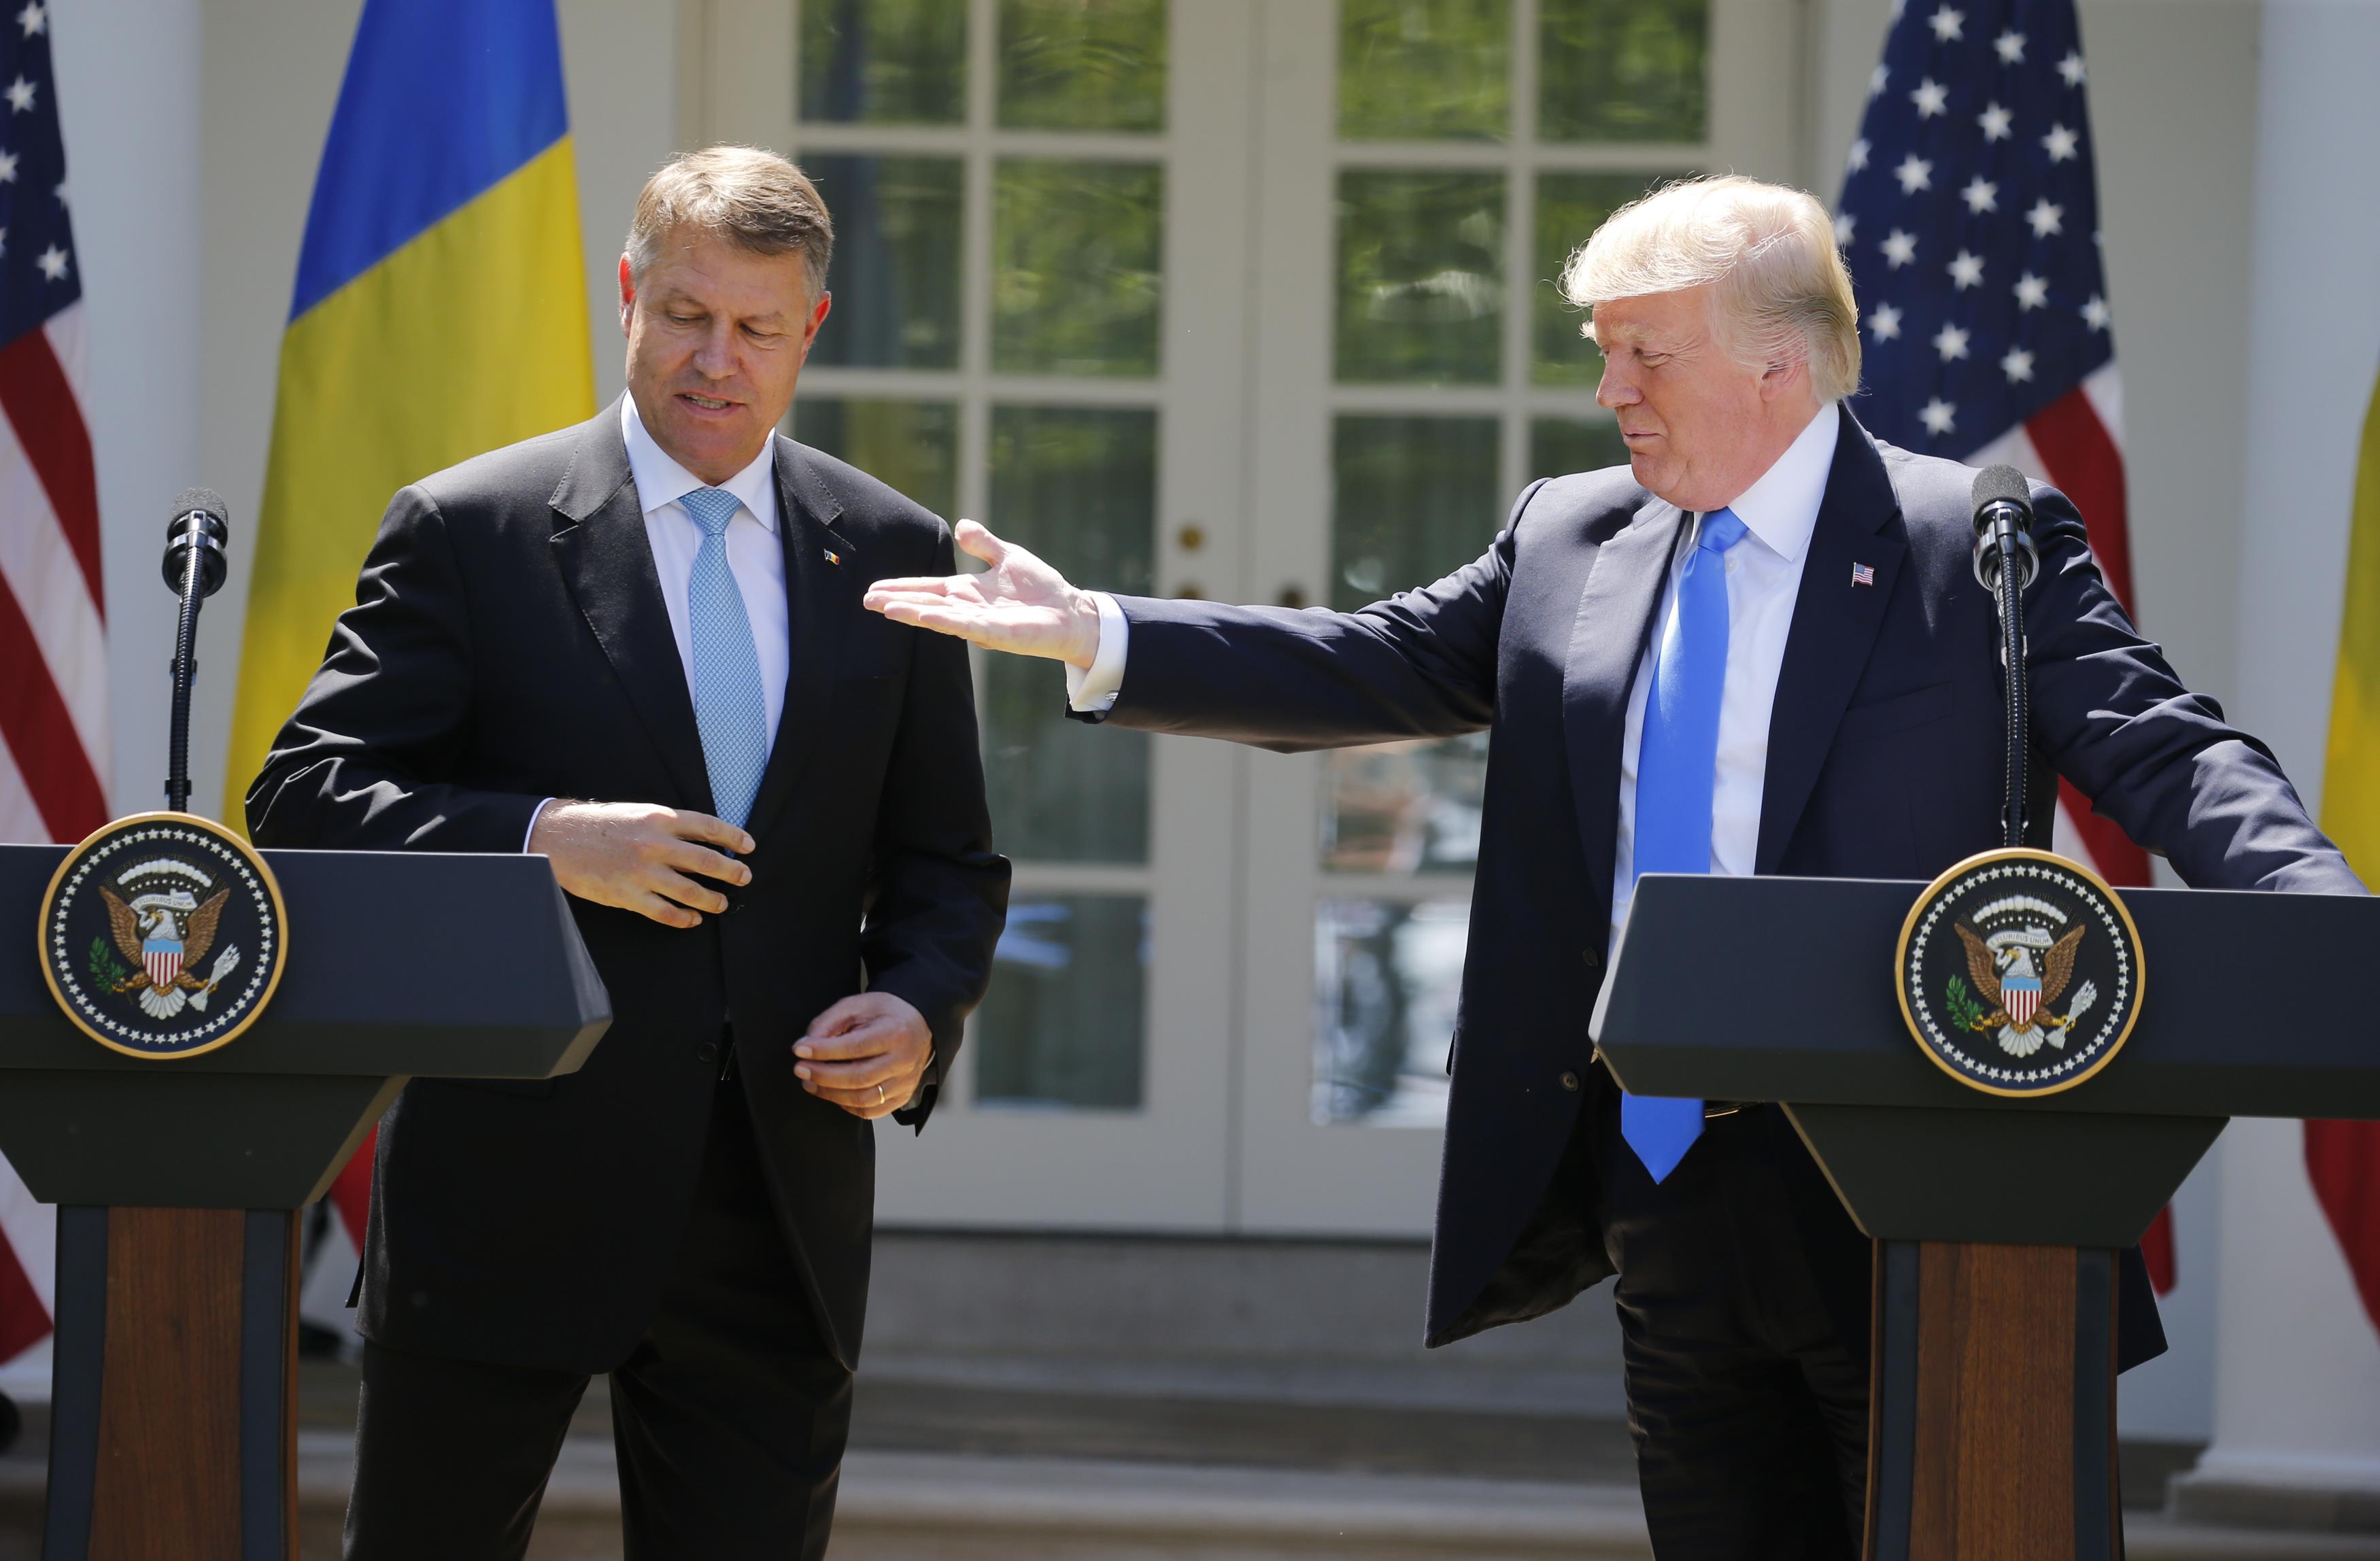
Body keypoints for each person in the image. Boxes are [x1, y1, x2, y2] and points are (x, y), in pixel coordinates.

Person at [864, 175, 2362, 1558]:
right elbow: (1372, 663)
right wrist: (1095, 633)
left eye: (1643, 355)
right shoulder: (1573, 534)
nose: (1607, 391)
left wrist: (2324, 923)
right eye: (1602, 352)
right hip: (1662, 1175)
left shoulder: (1966, 539)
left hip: (1917, 1180)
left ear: (1777, 364)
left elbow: (2167, 751)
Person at [248, 145, 1008, 1560]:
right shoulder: (472, 529)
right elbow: (302, 792)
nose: (716, 361)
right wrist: (543, 839)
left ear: (810, 332)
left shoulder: (887, 550)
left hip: (777, 1211)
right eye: (685, 315)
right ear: (626, 297)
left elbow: (945, 863)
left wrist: (916, 1006)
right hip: (508, 1187)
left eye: (756, 328)